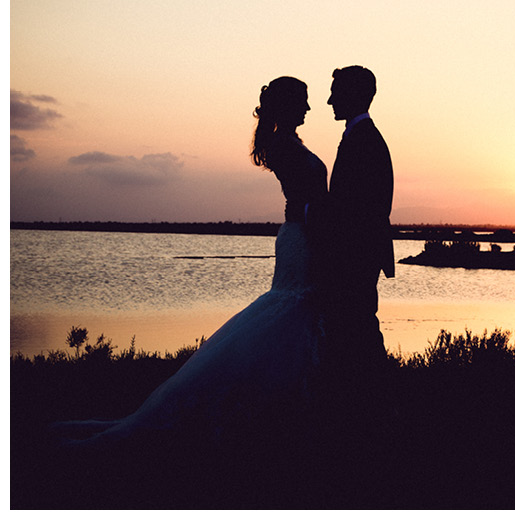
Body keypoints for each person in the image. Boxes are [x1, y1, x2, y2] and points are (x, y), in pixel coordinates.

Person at [53, 77, 328, 445]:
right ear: (289, 105)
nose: (309, 108)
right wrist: (324, 219)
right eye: (304, 102)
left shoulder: (290, 143)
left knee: (297, 316)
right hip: (301, 237)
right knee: (290, 313)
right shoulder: (283, 146)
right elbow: (298, 203)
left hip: (302, 238)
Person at [310, 65, 394, 375]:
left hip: (355, 259)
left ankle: (370, 406)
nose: (330, 101)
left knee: (356, 332)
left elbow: (355, 210)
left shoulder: (364, 141)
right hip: (357, 257)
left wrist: (307, 213)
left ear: (353, 94)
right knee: (356, 332)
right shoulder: (362, 138)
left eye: (335, 93)